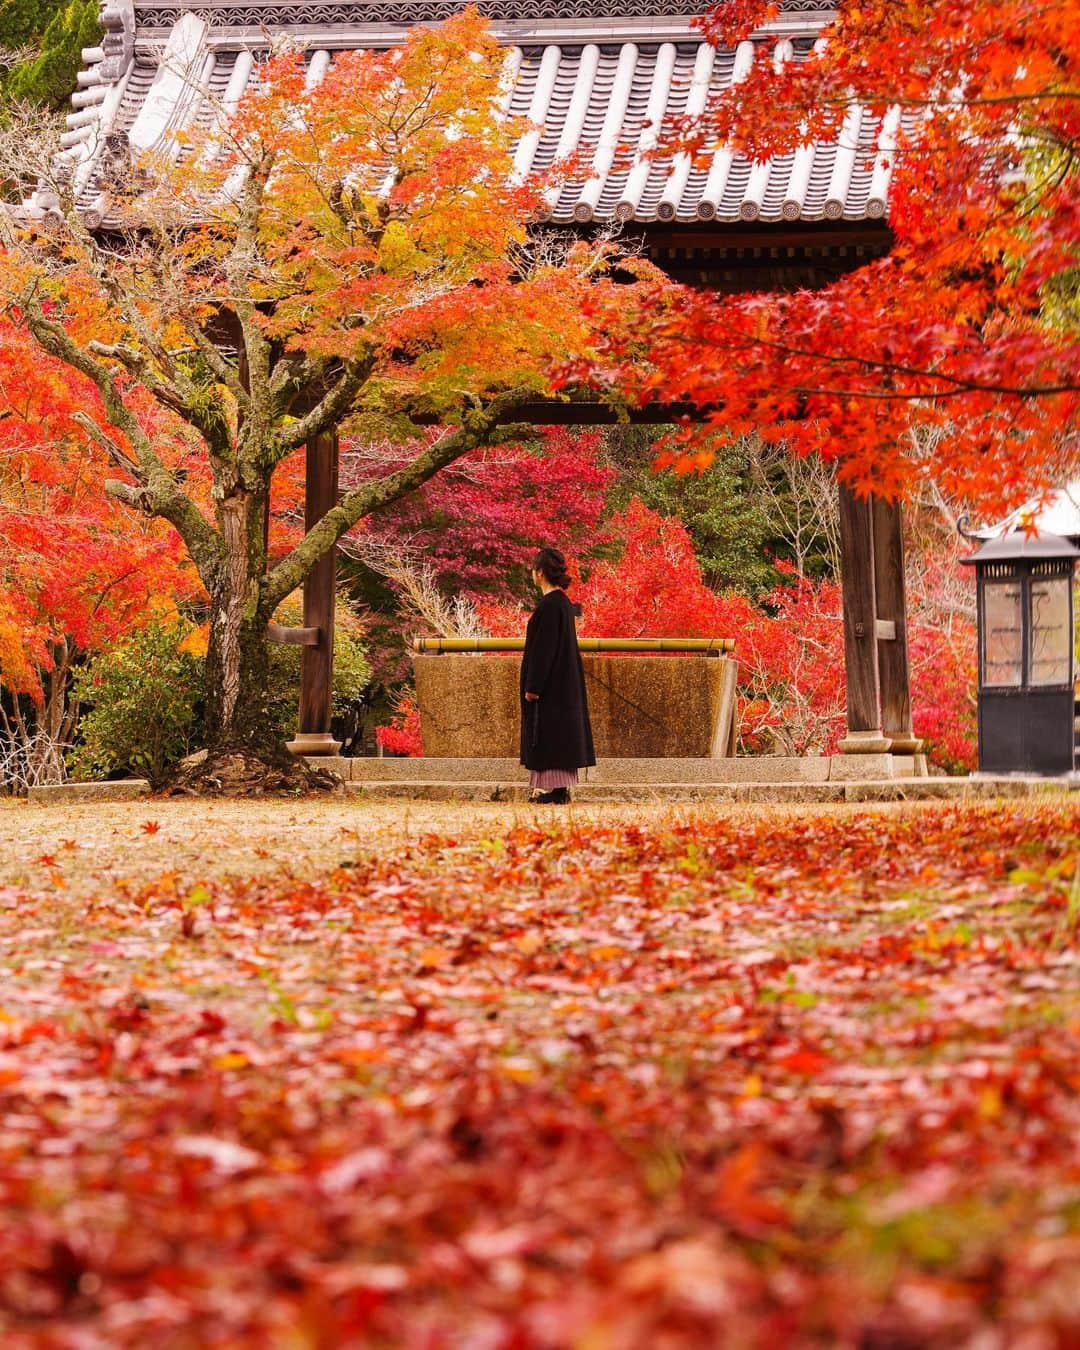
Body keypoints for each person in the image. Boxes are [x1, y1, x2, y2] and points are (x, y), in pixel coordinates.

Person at [520, 547, 595, 803]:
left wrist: (533, 686)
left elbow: (543, 649)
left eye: (533, 569)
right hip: (562, 685)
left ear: (540, 573)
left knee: (549, 734)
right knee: (559, 734)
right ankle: (559, 789)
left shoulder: (550, 606)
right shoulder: (562, 604)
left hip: (551, 688)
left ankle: (555, 790)